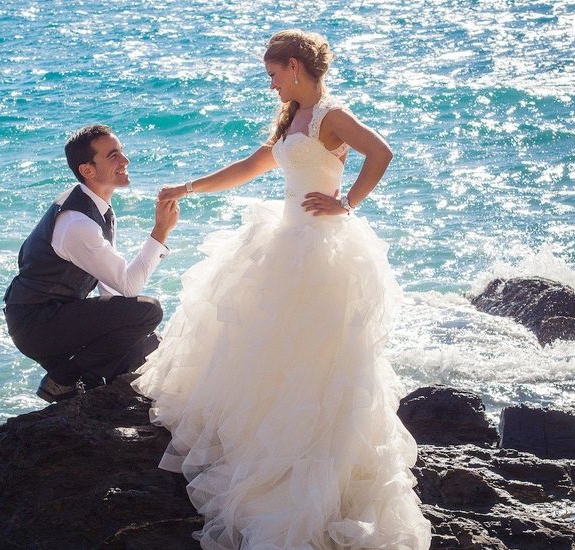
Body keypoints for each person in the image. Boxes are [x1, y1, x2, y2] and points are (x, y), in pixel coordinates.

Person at [133, 30, 432, 548]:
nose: (270, 85)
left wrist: (348, 203)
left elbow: (380, 153)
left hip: (319, 250)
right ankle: (263, 450)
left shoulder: (330, 115)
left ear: (294, 66)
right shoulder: (293, 117)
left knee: (318, 365)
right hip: (285, 241)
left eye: (273, 74)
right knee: (267, 355)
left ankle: (312, 468)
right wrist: (187, 187)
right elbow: (253, 166)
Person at [3, 124, 179, 402]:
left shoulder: (96, 207)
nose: (125, 161)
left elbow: (111, 287)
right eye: (113, 156)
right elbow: (129, 287)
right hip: (38, 325)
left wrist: (136, 331)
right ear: (88, 170)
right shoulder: (77, 223)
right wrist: (160, 232)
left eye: (122, 152)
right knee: (149, 311)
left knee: (146, 347)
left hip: (59, 316)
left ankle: (85, 381)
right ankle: (62, 380)